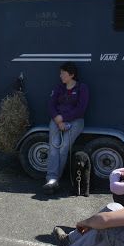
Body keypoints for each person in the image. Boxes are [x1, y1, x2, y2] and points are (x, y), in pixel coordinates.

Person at [43, 62, 89, 194]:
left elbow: (81, 109)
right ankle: (51, 179)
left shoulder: (82, 88)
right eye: (60, 73)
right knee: (54, 147)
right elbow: (51, 105)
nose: (60, 76)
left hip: (75, 122)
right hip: (57, 120)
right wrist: (57, 118)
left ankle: (56, 178)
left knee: (63, 148)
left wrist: (64, 118)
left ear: (72, 75)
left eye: (63, 73)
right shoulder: (59, 87)